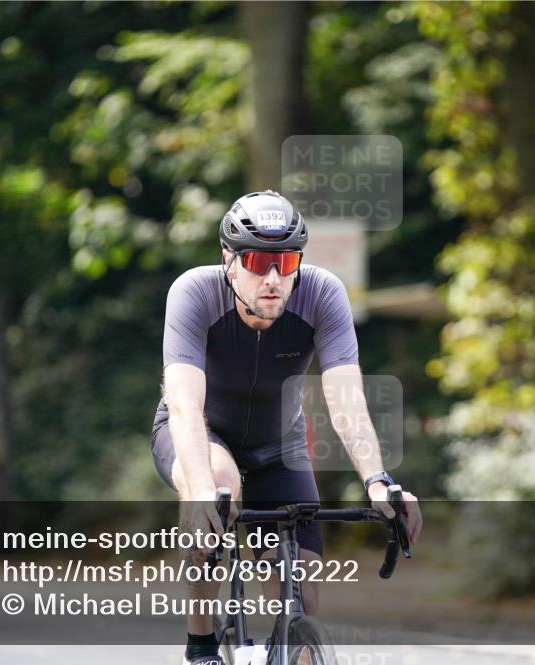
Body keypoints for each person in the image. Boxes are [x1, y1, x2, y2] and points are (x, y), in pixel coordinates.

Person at [150, 190, 422, 665]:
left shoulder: (322, 293)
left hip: (278, 447)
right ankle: (200, 646)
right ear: (229, 261)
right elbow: (186, 407)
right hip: (199, 433)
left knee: (301, 600)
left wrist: (379, 482)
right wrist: (196, 493)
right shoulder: (193, 292)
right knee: (217, 486)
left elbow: (347, 402)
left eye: (287, 261)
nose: (274, 278)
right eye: (257, 261)